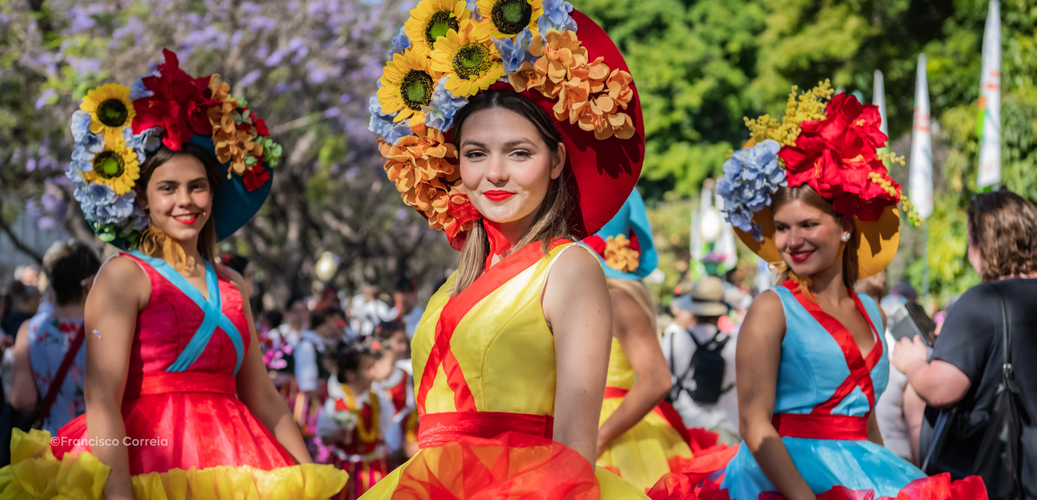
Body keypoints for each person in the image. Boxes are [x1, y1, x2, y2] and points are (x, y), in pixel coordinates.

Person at [0, 50, 347, 499]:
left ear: (212, 194)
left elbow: (262, 395)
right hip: (147, 463)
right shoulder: (123, 276)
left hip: (238, 464)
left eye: (197, 186)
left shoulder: (234, 285)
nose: (185, 200)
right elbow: (102, 399)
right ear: (142, 199)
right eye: (168, 188)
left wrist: (312, 481)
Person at [360, 6, 649, 497]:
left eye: (519, 153)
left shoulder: (569, 268)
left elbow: (575, 448)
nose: (494, 173)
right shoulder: (455, 281)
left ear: (556, 161)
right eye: (475, 153)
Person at [648, 85, 983, 499]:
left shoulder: (873, 311)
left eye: (808, 225)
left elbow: (866, 423)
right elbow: (753, 424)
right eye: (782, 228)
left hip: (865, 474)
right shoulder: (772, 308)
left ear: (845, 227)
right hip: (780, 482)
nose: (792, 241)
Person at [893, 189, 1037, 499]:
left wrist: (913, 363)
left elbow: (940, 388)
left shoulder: (984, 300)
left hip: (1000, 480)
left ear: (980, 244)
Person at [583, 190, 694, 489]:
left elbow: (658, 379)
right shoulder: (604, 295)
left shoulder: (616, 298)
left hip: (613, 436)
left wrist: (598, 438)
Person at [8, 240, 100, 435]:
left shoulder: (30, 329)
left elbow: (22, 398)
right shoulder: (106, 327)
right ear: (92, 280)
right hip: (102, 440)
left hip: (55, 441)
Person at [662, 277, 740, 445]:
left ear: (692, 308)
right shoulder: (737, 345)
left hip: (683, 433)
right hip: (727, 433)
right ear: (721, 310)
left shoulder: (671, 341)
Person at [317, 341, 395, 499]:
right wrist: (337, 436)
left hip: (373, 465)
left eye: (374, 367)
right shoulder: (336, 403)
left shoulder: (380, 401)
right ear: (350, 374)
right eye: (368, 368)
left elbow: (386, 432)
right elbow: (324, 439)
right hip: (343, 466)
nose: (374, 372)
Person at [371, 320, 415, 461]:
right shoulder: (368, 375)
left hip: (398, 441)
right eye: (399, 341)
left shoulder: (405, 374)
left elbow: (410, 408)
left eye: (404, 341)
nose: (404, 346)